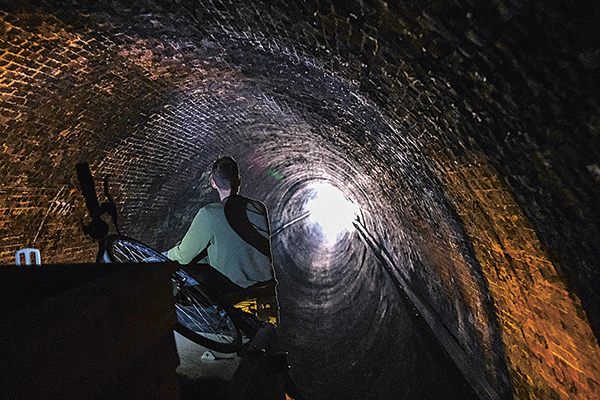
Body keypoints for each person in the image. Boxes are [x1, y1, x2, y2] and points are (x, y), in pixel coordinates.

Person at [167, 155, 276, 303]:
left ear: (213, 184)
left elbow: (183, 256)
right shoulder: (259, 208)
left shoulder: (209, 214)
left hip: (234, 295)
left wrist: (165, 255)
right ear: (239, 181)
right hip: (266, 292)